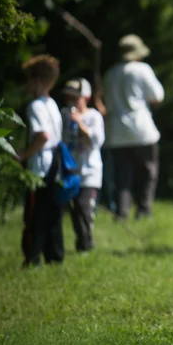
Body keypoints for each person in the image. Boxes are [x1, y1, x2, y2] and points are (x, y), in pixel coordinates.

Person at [103, 34, 165, 221]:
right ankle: (144, 209)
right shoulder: (142, 69)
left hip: (115, 130)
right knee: (147, 171)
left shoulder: (111, 73)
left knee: (122, 174)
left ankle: (122, 211)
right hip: (140, 128)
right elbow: (157, 96)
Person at [17, 55, 64, 267]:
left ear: (36, 81)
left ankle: (32, 257)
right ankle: (55, 256)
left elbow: (42, 135)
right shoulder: (52, 104)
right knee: (52, 213)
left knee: (34, 213)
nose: (26, 85)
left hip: (40, 167)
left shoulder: (35, 106)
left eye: (28, 80)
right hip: (55, 163)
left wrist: (24, 154)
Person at [61, 78, 105, 253]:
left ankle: (85, 244)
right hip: (71, 170)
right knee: (73, 209)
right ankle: (82, 241)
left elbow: (96, 141)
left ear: (86, 97)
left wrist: (79, 122)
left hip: (90, 171)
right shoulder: (63, 114)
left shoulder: (94, 116)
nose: (72, 102)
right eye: (69, 98)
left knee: (83, 206)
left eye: (76, 98)